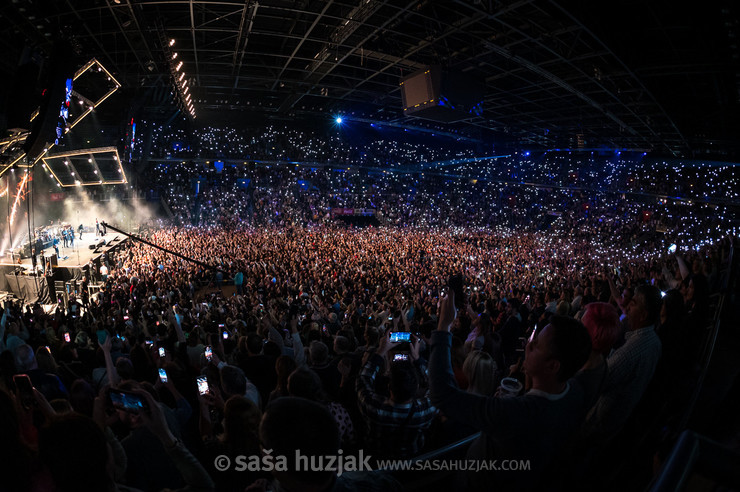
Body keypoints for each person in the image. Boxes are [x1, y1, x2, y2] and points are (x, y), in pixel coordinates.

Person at [430, 292, 592, 490]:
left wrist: (444, 326)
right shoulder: (575, 391)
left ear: (553, 366)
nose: (528, 344)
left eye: (536, 345)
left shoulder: (515, 413)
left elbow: (443, 395)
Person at [580, 285, 662, 442]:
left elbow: (591, 385)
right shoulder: (654, 340)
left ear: (644, 315)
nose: (627, 306)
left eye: (634, 303)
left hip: (596, 427)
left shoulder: (629, 353)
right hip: (618, 421)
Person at [356, 334, 437, 459]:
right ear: (416, 388)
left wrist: (381, 351)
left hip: (378, 459)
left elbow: (363, 379)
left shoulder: (373, 407)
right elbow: (435, 386)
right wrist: (417, 358)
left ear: (389, 387)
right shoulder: (425, 410)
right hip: (412, 458)